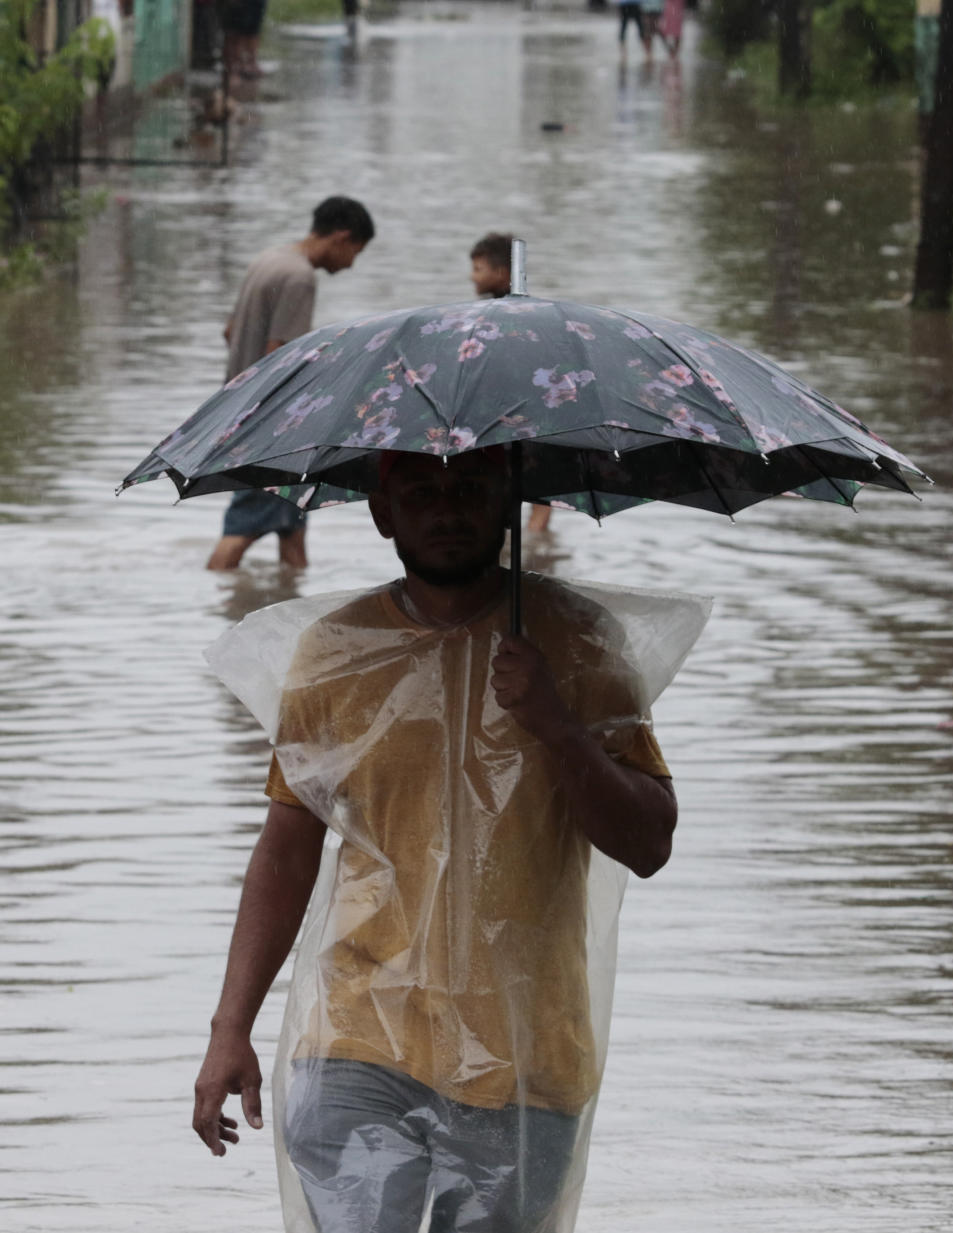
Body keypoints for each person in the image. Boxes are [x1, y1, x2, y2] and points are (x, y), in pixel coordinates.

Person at [193, 448, 707, 1232]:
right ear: (381, 512)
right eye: (423, 492)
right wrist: (231, 1026)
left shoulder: (579, 644)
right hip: (357, 1034)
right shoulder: (335, 652)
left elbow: (650, 841)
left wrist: (558, 727)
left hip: (526, 1053)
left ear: (509, 500)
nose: (448, 509)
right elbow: (286, 848)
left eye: (471, 488)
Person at [206, 197, 375, 571]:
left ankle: (292, 609)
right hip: (270, 426)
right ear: (342, 237)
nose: (350, 265)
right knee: (242, 529)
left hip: (243, 411)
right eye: (355, 252)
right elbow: (280, 358)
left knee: (292, 528)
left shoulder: (269, 259)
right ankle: (208, 607)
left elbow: (230, 331)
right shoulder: (299, 277)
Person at [469, 232, 552, 532]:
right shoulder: (484, 316)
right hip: (504, 410)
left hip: (522, 410)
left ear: (502, 273)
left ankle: (532, 545)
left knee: (536, 485)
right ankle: (535, 551)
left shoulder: (518, 317)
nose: (471, 276)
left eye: (478, 269)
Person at [469, 231, 513, 299]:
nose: (472, 277)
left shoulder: (495, 308)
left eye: (477, 269)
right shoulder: (528, 305)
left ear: (500, 273)